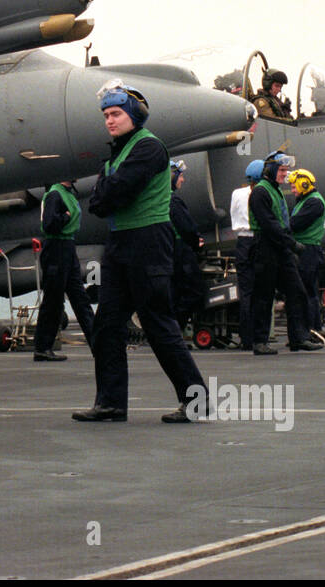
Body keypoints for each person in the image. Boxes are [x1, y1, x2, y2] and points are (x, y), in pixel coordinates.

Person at [71, 79, 207, 423]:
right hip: (119, 243)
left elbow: (113, 193)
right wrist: (105, 194)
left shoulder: (149, 147)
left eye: (116, 113)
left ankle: (197, 401)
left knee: (158, 322)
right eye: (105, 115)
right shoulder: (118, 152)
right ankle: (111, 403)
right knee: (107, 325)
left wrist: (105, 194)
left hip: (147, 240)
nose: (109, 121)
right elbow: (103, 197)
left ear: (135, 114)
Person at [249, 151, 322, 354]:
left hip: (281, 248)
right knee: (264, 295)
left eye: (286, 170)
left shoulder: (275, 190)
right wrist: (292, 244)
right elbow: (269, 225)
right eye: (282, 170)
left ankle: (298, 338)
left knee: (297, 291)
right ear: (271, 170)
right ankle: (260, 342)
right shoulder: (261, 192)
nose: (285, 175)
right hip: (266, 248)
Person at [32, 179, 96, 362]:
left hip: (67, 246)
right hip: (56, 248)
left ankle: (97, 344)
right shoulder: (55, 194)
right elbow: (49, 224)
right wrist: (66, 217)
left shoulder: (67, 194)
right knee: (53, 300)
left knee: (80, 298)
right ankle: (42, 347)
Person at [168, 160, 207, 340]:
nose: (182, 180)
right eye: (180, 176)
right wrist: (194, 242)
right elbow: (187, 228)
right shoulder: (173, 200)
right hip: (181, 252)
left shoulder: (159, 198)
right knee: (195, 291)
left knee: (175, 293)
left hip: (169, 251)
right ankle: (176, 330)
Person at [287, 168, 325, 336]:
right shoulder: (306, 201)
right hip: (305, 249)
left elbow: (295, 223)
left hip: (308, 250)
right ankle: (312, 328)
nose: (292, 190)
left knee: (307, 291)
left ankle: (311, 329)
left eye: (294, 186)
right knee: (308, 291)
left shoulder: (314, 202)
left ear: (304, 184)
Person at [230, 160, 261, 350]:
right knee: (260, 290)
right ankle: (259, 334)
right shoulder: (263, 193)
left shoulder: (237, 193)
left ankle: (246, 336)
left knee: (245, 291)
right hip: (257, 239)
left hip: (242, 240)